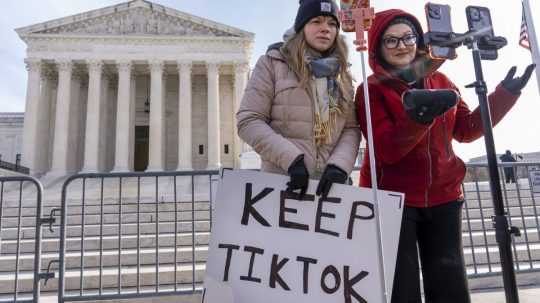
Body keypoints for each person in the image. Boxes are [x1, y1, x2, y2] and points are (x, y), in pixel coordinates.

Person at [354, 9, 535, 303]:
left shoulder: (440, 80)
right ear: (377, 47)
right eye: (391, 41)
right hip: (393, 201)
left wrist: (505, 94)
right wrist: (419, 119)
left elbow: (467, 129)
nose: (402, 46)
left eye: (408, 37)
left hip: (444, 196)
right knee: (403, 288)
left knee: (449, 286)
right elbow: (385, 150)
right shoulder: (371, 89)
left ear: (419, 40)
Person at [237, 0, 361, 198]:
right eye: (316, 22)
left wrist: (339, 166)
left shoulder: (341, 73)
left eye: (332, 24)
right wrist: (292, 160)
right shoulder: (273, 63)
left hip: (332, 190)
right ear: (301, 26)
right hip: (284, 183)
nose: (325, 29)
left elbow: (350, 128)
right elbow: (249, 120)